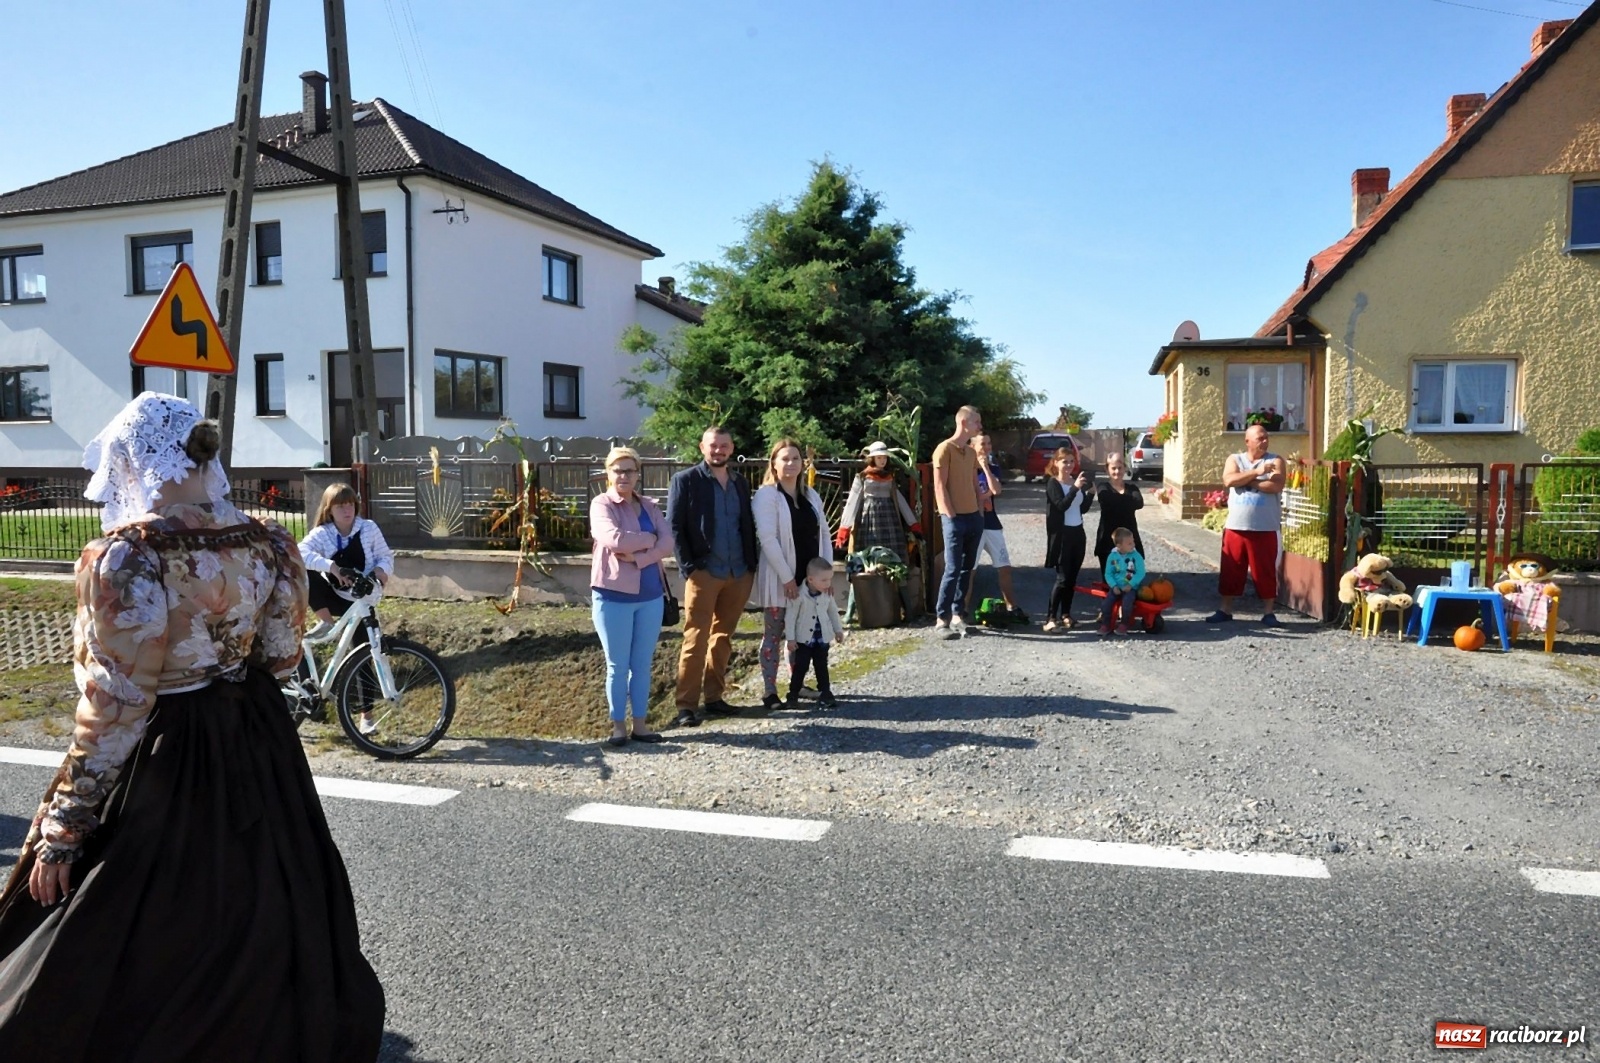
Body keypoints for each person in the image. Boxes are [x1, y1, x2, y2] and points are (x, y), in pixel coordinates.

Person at [0, 393, 383, 1061]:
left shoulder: (128, 556)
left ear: (134, 461)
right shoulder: (268, 539)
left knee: (125, 929)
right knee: (263, 903)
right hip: (254, 740)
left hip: (167, 752)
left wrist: (64, 826)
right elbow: (283, 656)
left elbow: (116, 705)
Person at [667, 425, 758, 727]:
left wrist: (751, 564)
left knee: (723, 637)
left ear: (732, 449)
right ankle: (686, 706)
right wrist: (689, 568)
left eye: (724, 446)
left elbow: (746, 524)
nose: (718, 450)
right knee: (695, 636)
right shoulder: (686, 480)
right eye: (713, 445)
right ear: (701, 447)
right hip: (705, 572)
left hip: (739, 571)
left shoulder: (740, 483)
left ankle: (715, 698)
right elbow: (675, 526)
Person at [590, 446, 675, 747]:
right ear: (608, 474)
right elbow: (612, 539)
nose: (624, 475)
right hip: (613, 595)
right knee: (617, 665)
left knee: (642, 664)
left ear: (638, 474)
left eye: (629, 470)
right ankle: (618, 727)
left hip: (650, 594)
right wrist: (649, 540)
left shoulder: (650, 506)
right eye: (618, 470)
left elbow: (668, 543)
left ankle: (640, 725)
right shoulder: (602, 504)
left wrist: (639, 556)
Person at [299, 481, 395, 735]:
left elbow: (387, 556)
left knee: (365, 655)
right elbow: (300, 552)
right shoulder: (323, 533)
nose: (347, 510)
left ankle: (367, 718)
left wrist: (378, 574)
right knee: (307, 574)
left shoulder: (368, 528)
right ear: (329, 510)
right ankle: (325, 623)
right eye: (340, 505)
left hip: (362, 599)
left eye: (350, 504)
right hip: (333, 595)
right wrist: (331, 567)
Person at [753, 439, 833, 711]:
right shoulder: (767, 496)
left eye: (795, 459)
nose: (790, 464)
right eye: (784, 459)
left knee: (802, 633)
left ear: (803, 463)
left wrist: (826, 575)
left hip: (809, 579)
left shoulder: (811, 495)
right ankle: (769, 690)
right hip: (780, 579)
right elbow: (768, 538)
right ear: (773, 464)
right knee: (775, 634)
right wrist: (787, 578)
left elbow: (824, 533)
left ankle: (796, 686)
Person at [1206, 424, 1287, 626]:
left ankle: (1268, 612)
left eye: (1266, 437)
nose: (1264, 441)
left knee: (1265, 571)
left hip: (1265, 527)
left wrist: (1247, 479)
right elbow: (1229, 479)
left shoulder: (1275, 460)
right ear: (1247, 441)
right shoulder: (1235, 459)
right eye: (1260, 437)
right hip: (1236, 527)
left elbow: (1275, 485)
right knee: (1231, 569)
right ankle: (1225, 609)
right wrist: (1258, 472)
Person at [932, 405, 984, 639]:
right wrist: (950, 515)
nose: (979, 426)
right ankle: (941, 619)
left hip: (973, 517)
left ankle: (958, 615)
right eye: (976, 422)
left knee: (967, 569)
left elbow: (975, 483)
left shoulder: (971, 452)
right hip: (954, 518)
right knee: (952, 568)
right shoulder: (944, 449)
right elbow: (939, 485)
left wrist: (980, 511)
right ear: (964, 423)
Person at [964, 432, 1025, 621]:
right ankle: (962, 610)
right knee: (970, 569)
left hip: (991, 524)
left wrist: (984, 467)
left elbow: (996, 490)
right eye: (983, 443)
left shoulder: (993, 468)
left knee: (1004, 566)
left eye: (989, 443)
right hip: (973, 523)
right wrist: (982, 499)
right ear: (972, 446)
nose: (987, 447)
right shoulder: (964, 468)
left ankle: (1011, 606)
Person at [834, 441, 919, 561]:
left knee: (891, 552)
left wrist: (913, 523)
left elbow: (900, 501)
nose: (882, 461)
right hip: (869, 519)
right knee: (870, 551)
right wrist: (844, 528)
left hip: (889, 519)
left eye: (884, 457)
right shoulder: (862, 477)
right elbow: (852, 502)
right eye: (879, 457)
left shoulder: (889, 477)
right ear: (873, 458)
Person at [1043, 447, 1095, 632]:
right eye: (1064, 461)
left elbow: (1081, 509)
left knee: (1072, 579)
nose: (1069, 465)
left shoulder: (1075, 483)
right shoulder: (1053, 484)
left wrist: (1090, 493)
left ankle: (1066, 614)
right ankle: (1050, 617)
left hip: (1078, 533)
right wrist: (1075, 488)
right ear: (1056, 462)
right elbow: (1061, 506)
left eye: (1072, 461)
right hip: (1062, 535)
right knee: (1062, 578)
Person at [785, 556, 845, 709]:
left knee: (821, 666)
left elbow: (833, 612)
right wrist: (790, 639)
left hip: (821, 638)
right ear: (811, 579)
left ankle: (825, 693)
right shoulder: (799, 595)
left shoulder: (826, 595)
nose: (828, 584)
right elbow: (790, 618)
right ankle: (793, 694)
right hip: (804, 640)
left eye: (829, 579)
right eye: (824, 580)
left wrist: (838, 630)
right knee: (801, 667)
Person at [1094, 453, 1146, 577]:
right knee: (1111, 581)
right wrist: (1128, 501)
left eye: (1120, 467)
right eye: (1113, 468)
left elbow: (1139, 503)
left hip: (1130, 541)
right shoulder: (1103, 487)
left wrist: (1117, 501)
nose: (1117, 471)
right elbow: (1106, 500)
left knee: (1130, 580)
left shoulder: (1132, 487)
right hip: (1108, 541)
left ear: (1125, 468)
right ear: (1107, 469)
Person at [1099, 527, 1146, 636]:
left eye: (1133, 541)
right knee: (1106, 604)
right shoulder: (1112, 557)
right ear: (1119, 546)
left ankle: (1124, 624)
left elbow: (1140, 572)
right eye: (1129, 543)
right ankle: (1106, 624)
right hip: (1116, 587)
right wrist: (1114, 586)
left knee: (1127, 604)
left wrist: (1131, 584)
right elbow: (1108, 573)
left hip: (1130, 587)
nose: (1133, 545)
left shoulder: (1136, 556)